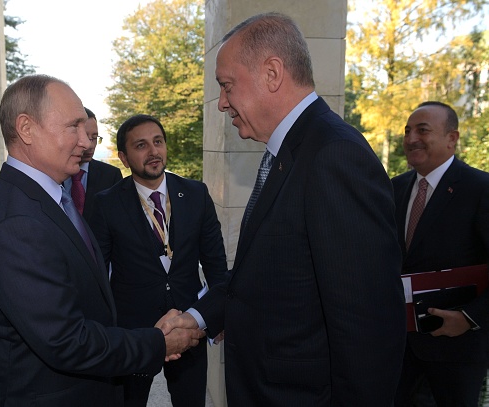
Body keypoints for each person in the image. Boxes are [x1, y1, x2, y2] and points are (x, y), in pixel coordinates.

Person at [160, 12, 406, 406]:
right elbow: (261, 281)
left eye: (227, 86)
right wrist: (198, 318)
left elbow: (368, 327)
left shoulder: (334, 156)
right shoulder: (287, 153)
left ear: (272, 74)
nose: (222, 103)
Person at [0, 74, 205, 407]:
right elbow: (66, 340)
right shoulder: (17, 223)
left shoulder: (50, 197)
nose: (85, 142)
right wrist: (157, 343)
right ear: (26, 129)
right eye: (73, 127)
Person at [89, 114, 229, 407]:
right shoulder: (106, 204)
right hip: (134, 333)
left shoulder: (195, 194)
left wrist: (215, 317)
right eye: (141, 145)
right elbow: (97, 275)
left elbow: (216, 265)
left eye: (158, 142)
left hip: (190, 327)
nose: (153, 151)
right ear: (124, 158)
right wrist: (104, 335)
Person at [392, 101, 489, 407]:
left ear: (452, 138)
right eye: (407, 131)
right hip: (398, 349)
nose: (410, 139)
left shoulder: (480, 189)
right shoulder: (393, 189)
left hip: (457, 352)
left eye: (422, 130)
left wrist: (468, 318)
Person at [64, 107, 123, 224]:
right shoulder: (52, 173)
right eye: (85, 136)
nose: (90, 145)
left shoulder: (111, 176)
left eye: (95, 138)